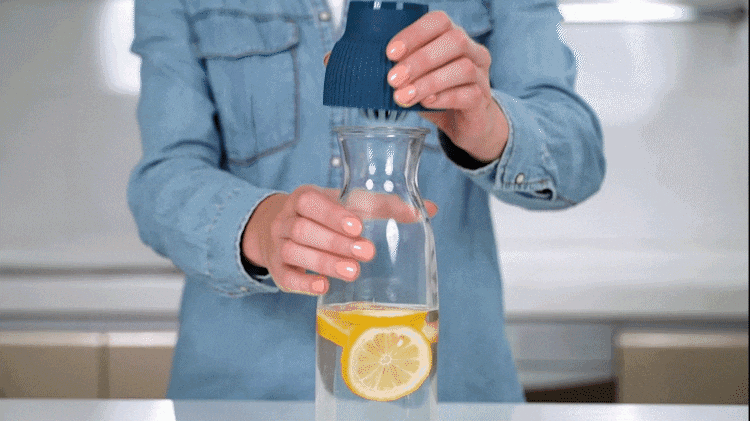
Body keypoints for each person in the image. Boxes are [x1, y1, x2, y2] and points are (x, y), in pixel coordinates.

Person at [127, 0, 605, 402]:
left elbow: (578, 158)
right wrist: (261, 225)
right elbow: (162, 177)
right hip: (243, 397)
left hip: (447, 393)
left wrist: (488, 126)